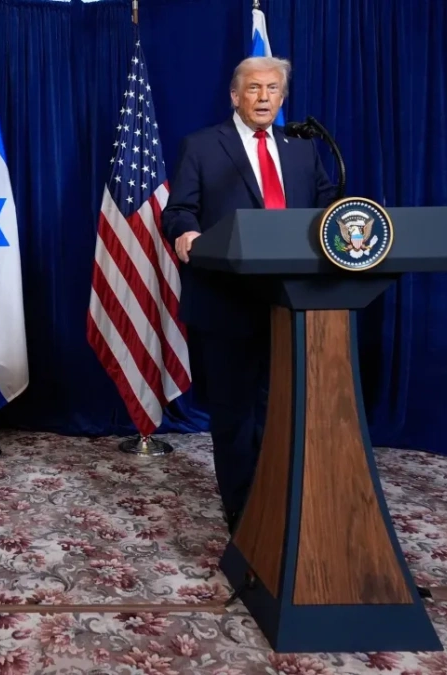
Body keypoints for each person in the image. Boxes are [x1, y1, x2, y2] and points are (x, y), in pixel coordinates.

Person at [163, 57, 337, 534]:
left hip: (294, 300)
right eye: (254, 88)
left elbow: (328, 207)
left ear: (283, 97)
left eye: (273, 88)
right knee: (236, 412)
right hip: (227, 299)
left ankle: (284, 494)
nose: (264, 97)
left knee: (282, 406)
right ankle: (244, 510)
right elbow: (178, 211)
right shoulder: (202, 145)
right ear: (235, 96)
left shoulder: (303, 149)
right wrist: (186, 232)